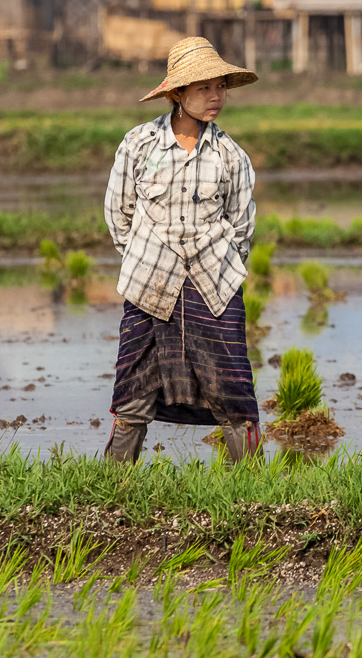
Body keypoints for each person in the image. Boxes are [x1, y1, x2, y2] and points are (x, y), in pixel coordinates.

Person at [103, 37, 263, 463]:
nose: (215, 97)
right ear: (177, 93)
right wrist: (145, 259)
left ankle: (249, 483)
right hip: (151, 284)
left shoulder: (230, 156)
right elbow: (119, 215)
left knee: (233, 385)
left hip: (214, 283)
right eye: (203, 88)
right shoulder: (139, 145)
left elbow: (242, 228)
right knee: (134, 383)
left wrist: (215, 264)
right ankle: (114, 481)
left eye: (220, 87)